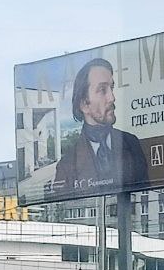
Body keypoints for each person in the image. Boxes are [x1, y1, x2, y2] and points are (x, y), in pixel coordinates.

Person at [52, 58, 150, 196]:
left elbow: (146, 196)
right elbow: (60, 212)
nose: (112, 97)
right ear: (84, 104)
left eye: (112, 88)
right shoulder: (67, 166)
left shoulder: (131, 143)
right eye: (102, 90)